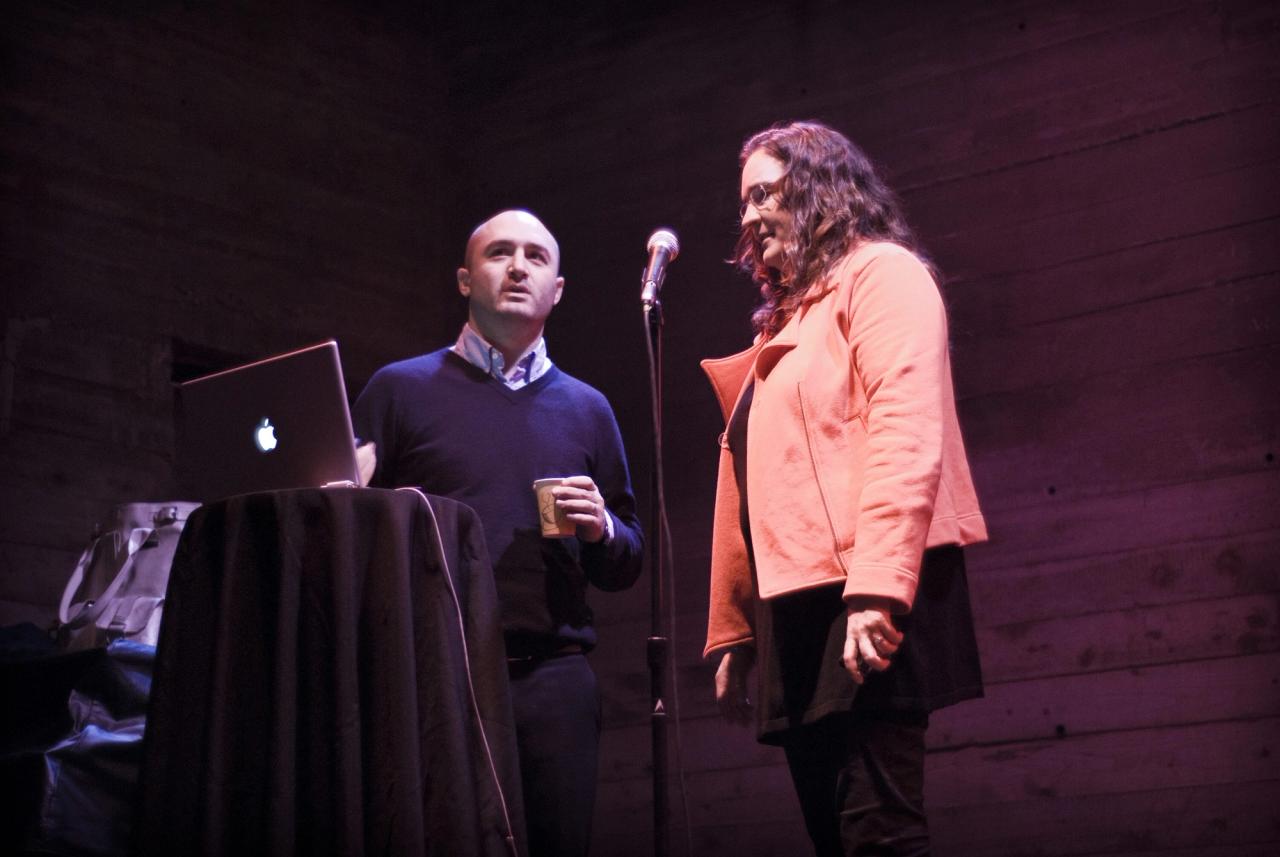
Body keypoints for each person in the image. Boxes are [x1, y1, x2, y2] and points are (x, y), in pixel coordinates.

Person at [701, 121, 988, 856]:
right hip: (796, 607)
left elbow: (905, 428)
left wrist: (877, 588)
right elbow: (747, 478)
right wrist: (735, 626)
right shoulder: (789, 323)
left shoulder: (882, 273)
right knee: (836, 836)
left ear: (819, 188)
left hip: (861, 591)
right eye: (742, 203)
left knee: (877, 833)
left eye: (764, 193)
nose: (748, 217)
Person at [353, 209, 644, 857]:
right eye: (499, 253)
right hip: (433, 675)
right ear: (464, 278)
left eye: (536, 257)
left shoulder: (588, 408)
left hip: (552, 679)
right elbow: (349, 529)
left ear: (558, 289)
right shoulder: (399, 390)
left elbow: (626, 560)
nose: (518, 267)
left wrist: (602, 530)